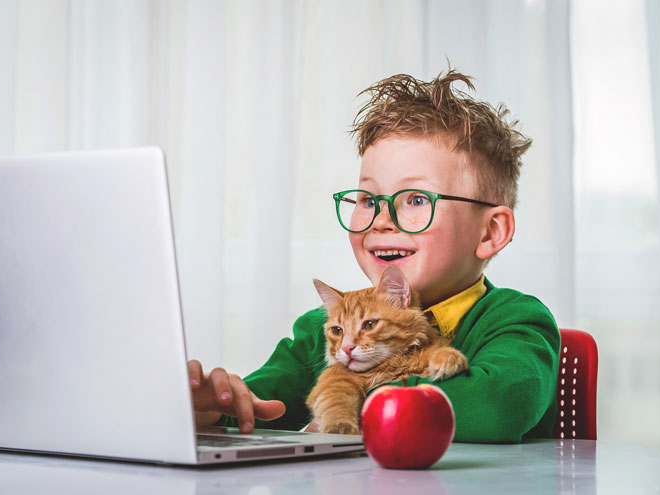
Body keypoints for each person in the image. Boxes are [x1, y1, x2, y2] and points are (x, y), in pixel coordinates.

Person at [188, 68, 560, 442]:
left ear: (491, 232)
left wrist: (351, 393)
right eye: (368, 199)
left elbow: (496, 409)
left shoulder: (517, 321)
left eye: (416, 199)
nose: (381, 220)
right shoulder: (326, 331)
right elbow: (256, 408)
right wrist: (214, 410)